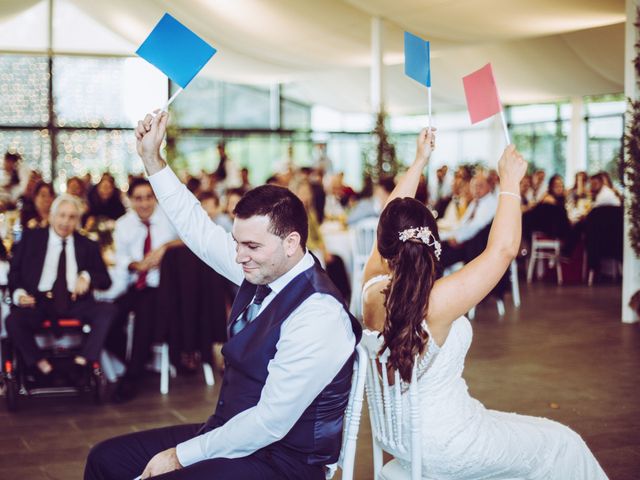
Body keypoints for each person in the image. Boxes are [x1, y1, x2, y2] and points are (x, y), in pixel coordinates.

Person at [85, 111, 361, 480]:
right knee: (106, 459)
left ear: (291, 242)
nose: (239, 255)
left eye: (251, 245)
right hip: (229, 434)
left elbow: (269, 424)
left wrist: (180, 456)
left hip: (283, 463)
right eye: (236, 242)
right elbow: (198, 229)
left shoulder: (319, 315)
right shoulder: (262, 266)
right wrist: (152, 159)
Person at [362, 128, 608, 479]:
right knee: (564, 443)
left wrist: (420, 160)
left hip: (404, 439)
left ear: (383, 241)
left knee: (533, 431)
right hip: (450, 442)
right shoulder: (436, 302)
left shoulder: (370, 289)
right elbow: (504, 250)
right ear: (432, 242)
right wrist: (509, 181)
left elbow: (392, 215)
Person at [6, 194, 116, 379]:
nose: (66, 221)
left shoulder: (87, 244)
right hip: (39, 301)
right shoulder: (31, 238)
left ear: (78, 220)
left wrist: (87, 276)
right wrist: (19, 295)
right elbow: (14, 273)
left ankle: (82, 361)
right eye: (62, 215)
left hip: (75, 301)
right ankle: (41, 365)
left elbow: (105, 280)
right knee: (13, 321)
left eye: (72, 217)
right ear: (52, 216)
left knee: (108, 311)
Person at [106, 177, 181, 402]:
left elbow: (191, 239)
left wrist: (165, 248)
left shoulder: (168, 219)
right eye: (138, 199)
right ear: (130, 200)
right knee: (107, 317)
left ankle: (131, 379)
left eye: (149, 197)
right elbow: (120, 256)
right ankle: (138, 361)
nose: (145, 203)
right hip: (134, 283)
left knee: (144, 314)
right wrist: (135, 264)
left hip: (163, 286)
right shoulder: (123, 224)